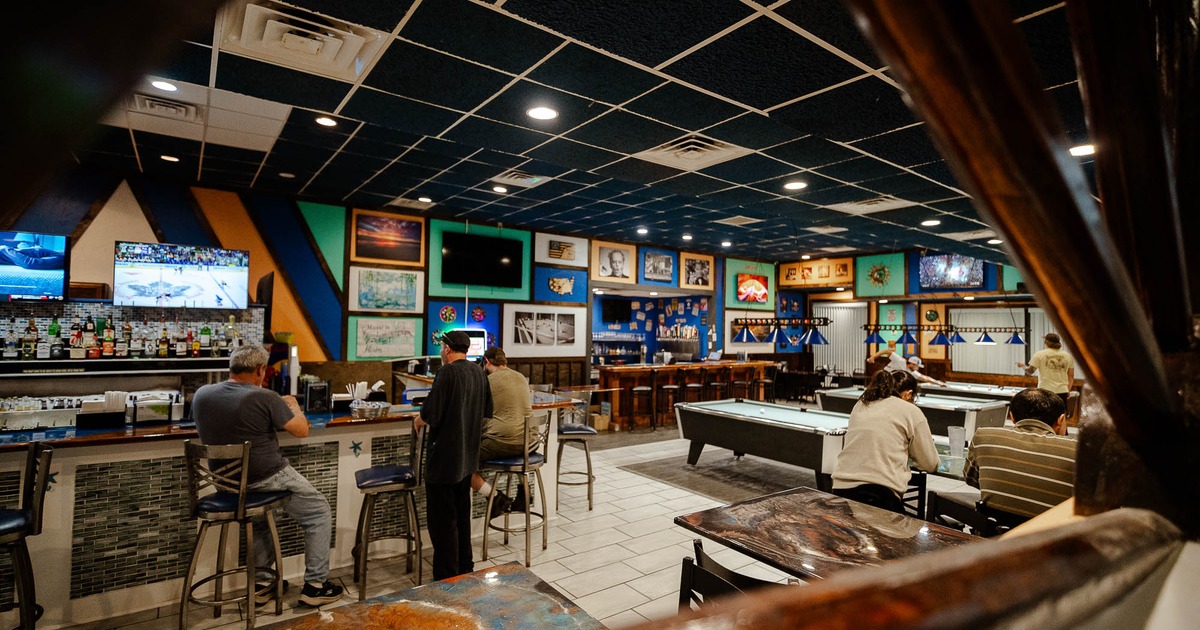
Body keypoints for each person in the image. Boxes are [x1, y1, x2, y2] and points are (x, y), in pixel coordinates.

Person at [191, 345, 343, 607]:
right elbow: (301, 431)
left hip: (226, 484)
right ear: (260, 370)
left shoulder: (202, 395)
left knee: (259, 517)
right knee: (318, 511)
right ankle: (316, 586)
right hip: (266, 476)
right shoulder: (265, 397)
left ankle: (263, 584)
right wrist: (294, 407)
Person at [414, 330, 492, 580]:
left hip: (444, 461)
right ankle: (465, 569)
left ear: (447, 349)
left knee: (443, 524)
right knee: (462, 518)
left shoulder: (446, 372)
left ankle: (446, 578)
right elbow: (487, 410)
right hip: (467, 459)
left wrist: (418, 419)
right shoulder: (479, 372)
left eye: (442, 347)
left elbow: (431, 413)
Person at [831, 370, 939, 514]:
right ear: (908, 394)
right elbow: (930, 464)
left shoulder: (861, 404)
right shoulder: (911, 411)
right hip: (880, 496)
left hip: (840, 490)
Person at [964, 388, 1075, 522]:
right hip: (1052, 539)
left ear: (1012, 417)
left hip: (993, 536)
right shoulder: (1077, 451)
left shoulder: (984, 436)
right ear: (1061, 419)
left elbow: (971, 478)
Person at [468, 347, 533, 517]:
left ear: (486, 361)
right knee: (515, 442)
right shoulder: (521, 377)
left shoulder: (487, 381)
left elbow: (475, 412)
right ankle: (524, 493)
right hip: (530, 442)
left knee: (461, 461)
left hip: (504, 442)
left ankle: (495, 496)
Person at [1016, 333, 1076, 409]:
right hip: (1062, 391)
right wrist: (1067, 389)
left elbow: (1030, 371)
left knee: (1045, 415)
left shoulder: (1039, 354)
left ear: (1046, 342)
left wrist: (1022, 366)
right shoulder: (1068, 356)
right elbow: (1071, 376)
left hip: (1044, 391)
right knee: (1060, 416)